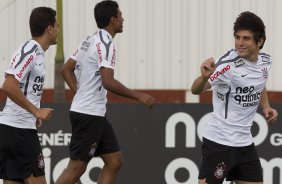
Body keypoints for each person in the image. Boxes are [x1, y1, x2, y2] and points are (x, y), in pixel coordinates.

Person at [55, 1, 155, 184]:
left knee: (115, 161)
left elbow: (65, 70)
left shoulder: (89, 39)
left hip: (93, 113)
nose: (123, 19)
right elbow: (108, 81)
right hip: (89, 115)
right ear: (113, 19)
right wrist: (138, 95)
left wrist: (81, 93)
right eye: (120, 15)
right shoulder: (107, 44)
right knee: (76, 168)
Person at [191, 11, 278, 184]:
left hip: (244, 144)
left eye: (246, 38)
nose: (239, 43)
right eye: (237, 37)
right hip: (219, 142)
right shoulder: (227, 66)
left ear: (260, 41)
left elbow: (260, 83)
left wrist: (266, 106)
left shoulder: (266, 61)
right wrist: (204, 77)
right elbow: (196, 90)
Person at [0, 7, 59, 184]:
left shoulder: (37, 52)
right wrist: (35, 111)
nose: (58, 30)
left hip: (14, 129)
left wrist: (31, 113)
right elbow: (9, 85)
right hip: (18, 131)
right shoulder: (30, 50)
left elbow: (24, 88)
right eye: (57, 26)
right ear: (49, 28)